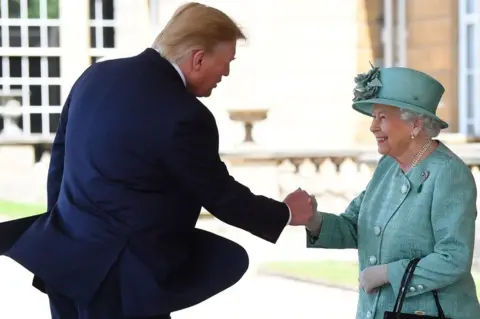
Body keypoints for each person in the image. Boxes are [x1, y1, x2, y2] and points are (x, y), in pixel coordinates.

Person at [0, 2, 314, 319]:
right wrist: (286, 213)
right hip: (124, 282)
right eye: (227, 62)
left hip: (65, 262)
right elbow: (220, 195)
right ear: (198, 59)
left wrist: (62, 231)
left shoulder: (96, 76)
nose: (227, 73)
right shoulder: (185, 115)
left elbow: (60, 166)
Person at [305, 65, 480, 318]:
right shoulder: (388, 166)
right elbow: (355, 225)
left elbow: (453, 257)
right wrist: (313, 220)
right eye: (373, 117)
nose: (373, 127)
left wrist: (387, 273)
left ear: (416, 124)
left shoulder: (448, 173)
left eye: (382, 117)